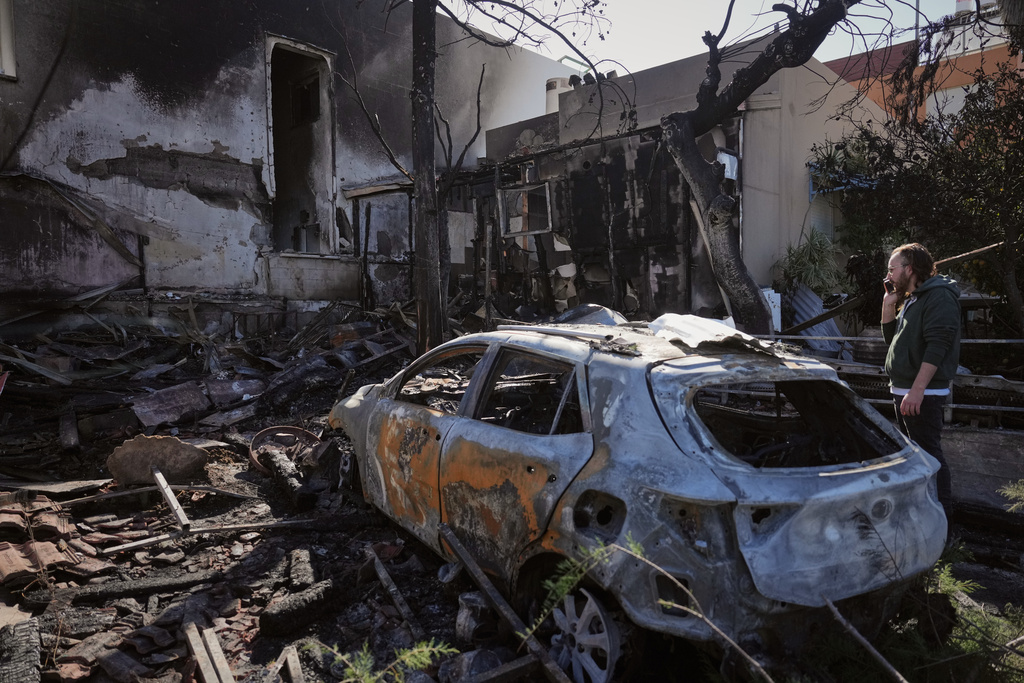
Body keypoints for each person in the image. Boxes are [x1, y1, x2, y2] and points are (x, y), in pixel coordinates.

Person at [882, 243, 961, 512]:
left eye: (892, 269)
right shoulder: (914, 298)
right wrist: (888, 304)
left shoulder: (938, 296)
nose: (889, 275)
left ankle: (944, 524)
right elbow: (892, 342)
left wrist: (916, 390)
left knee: (928, 457)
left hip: (922, 394)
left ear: (910, 268)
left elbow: (938, 345)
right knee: (915, 458)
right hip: (906, 390)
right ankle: (923, 516)